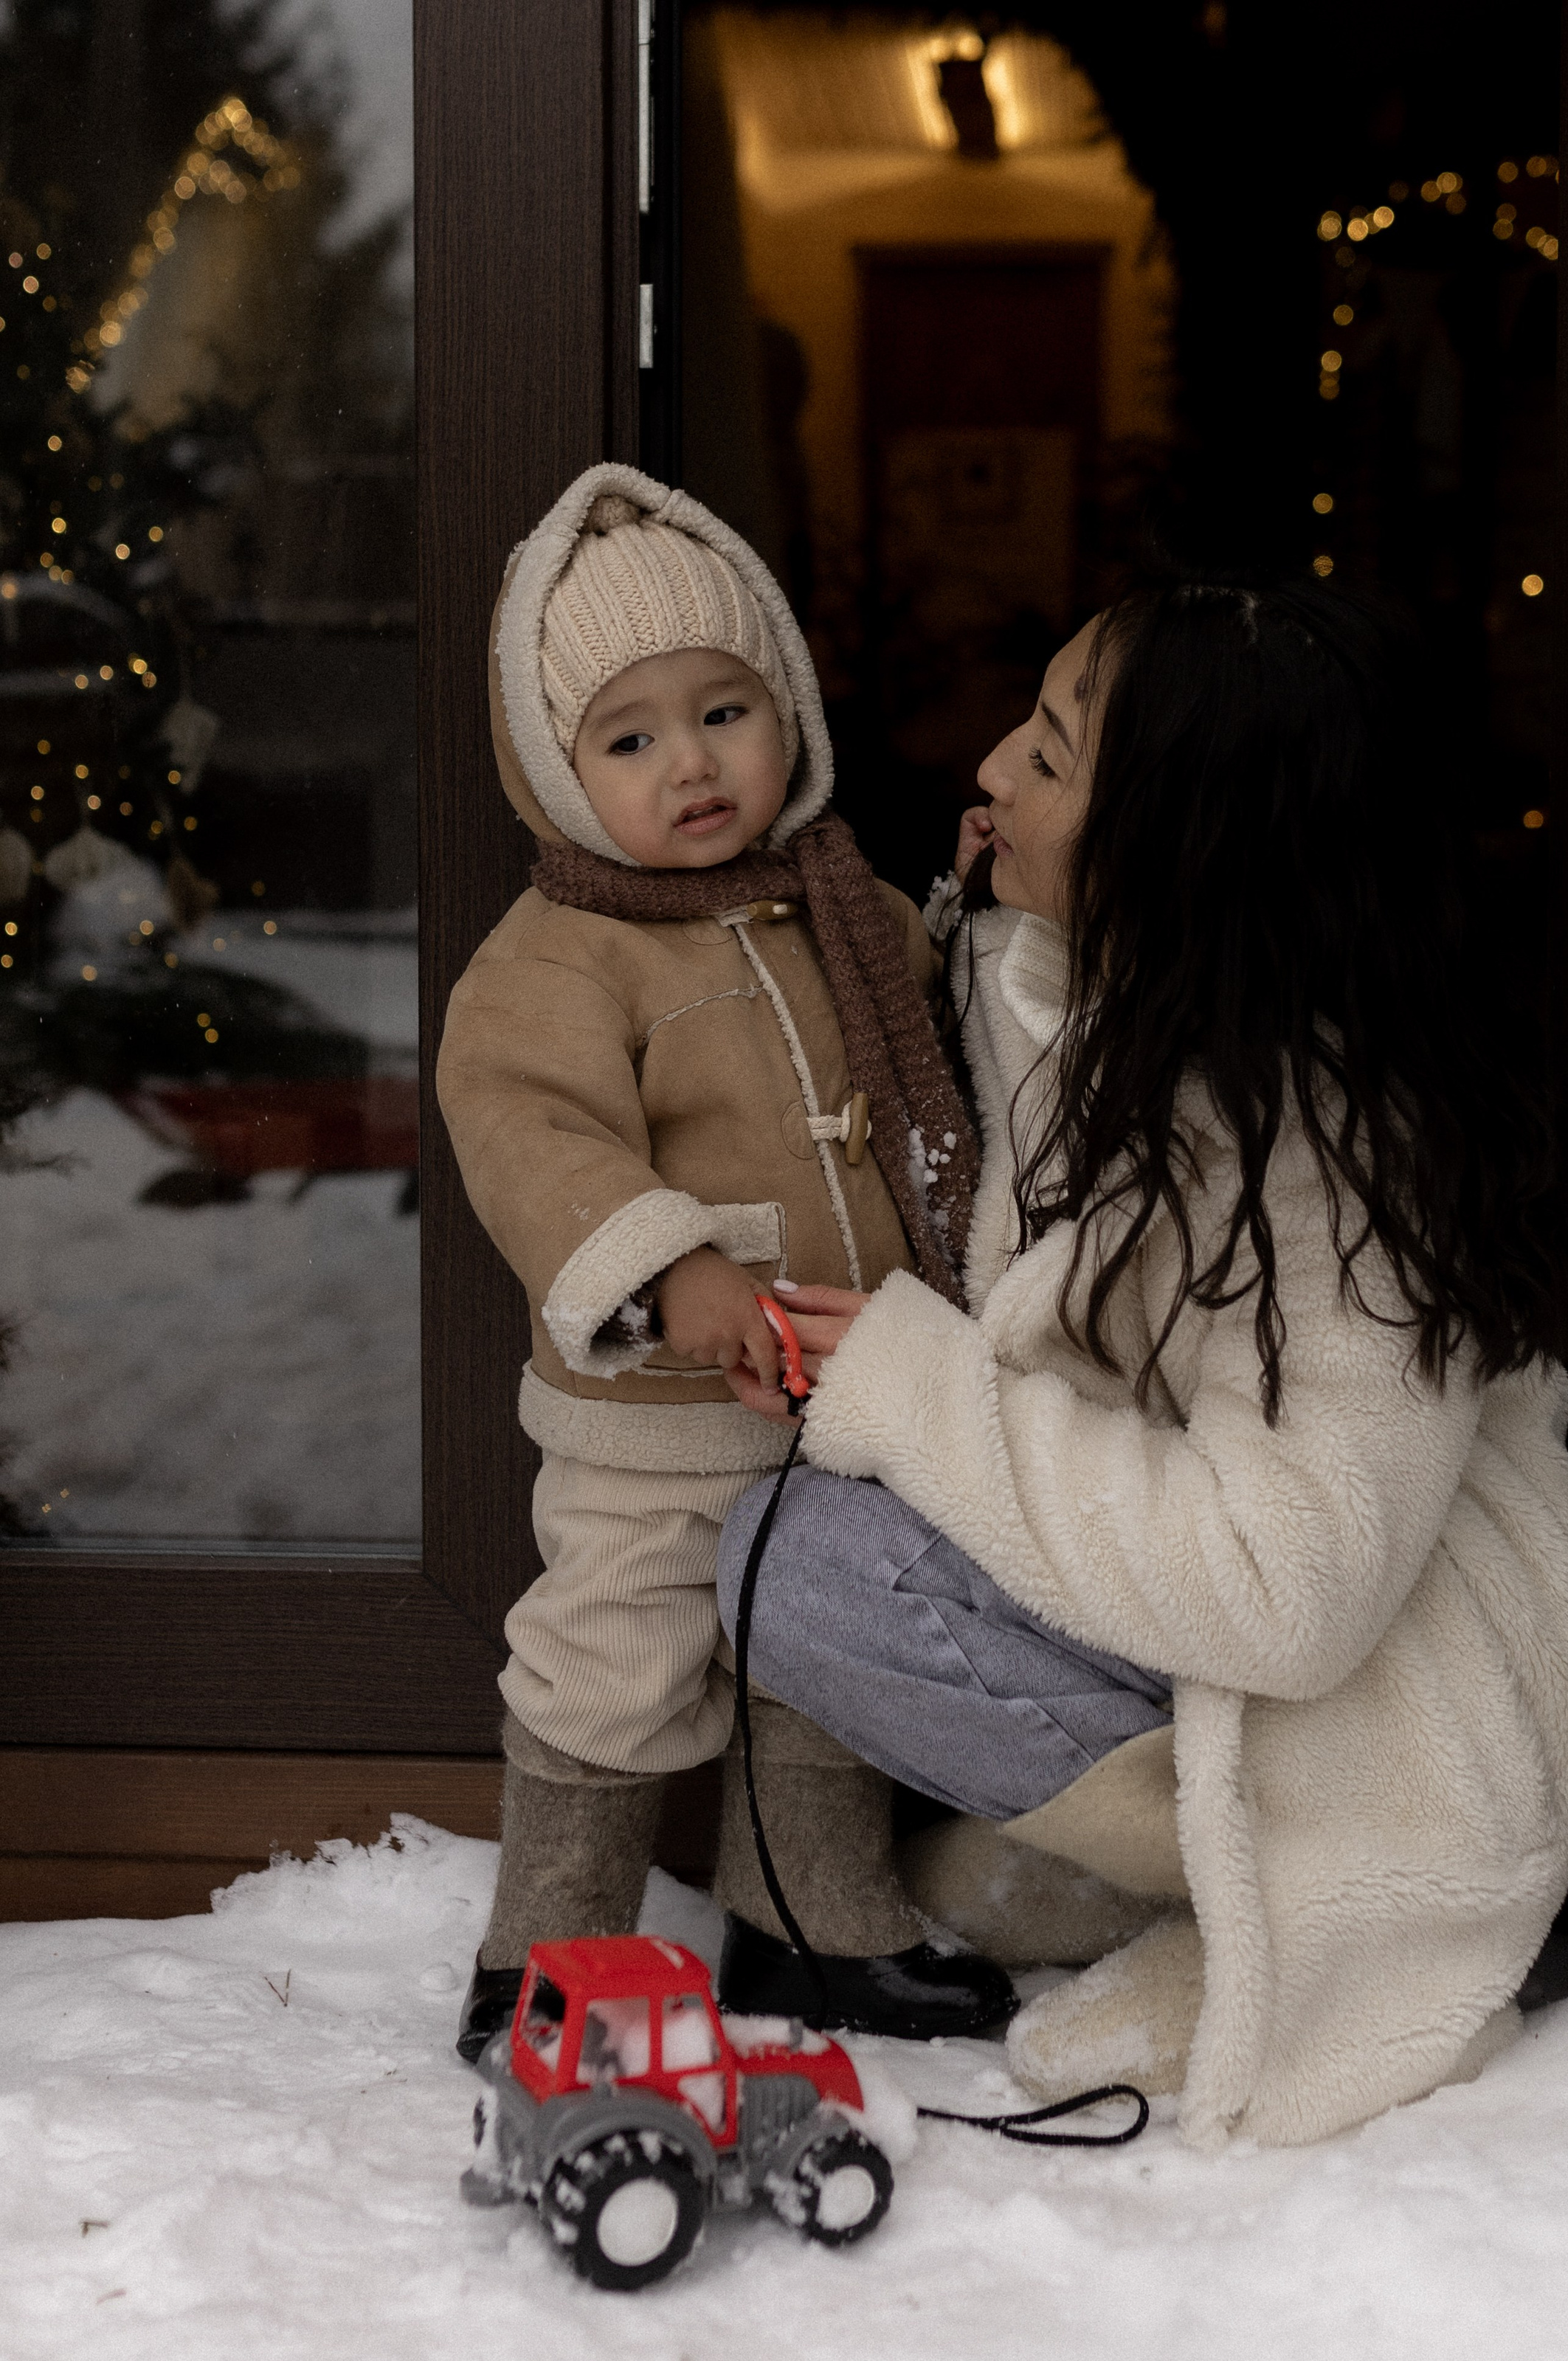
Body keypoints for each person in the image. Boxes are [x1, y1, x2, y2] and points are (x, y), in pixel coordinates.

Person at [716, 580, 1568, 2146]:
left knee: (808, 1565)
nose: (990, 768)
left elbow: (1289, 1587)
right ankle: (1157, 1856)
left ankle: (1262, 1893)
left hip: (1379, 1725)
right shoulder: (1132, 1004)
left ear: (1185, 859)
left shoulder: (1339, 1165)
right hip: (1225, 1639)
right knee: (798, 1536)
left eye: (1050, 761)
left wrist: (924, 1397)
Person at [435, 463, 1011, 2063]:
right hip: (658, 1418)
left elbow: (940, 1048)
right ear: (559, 766)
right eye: (628, 738)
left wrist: (986, 905)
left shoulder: (843, 905)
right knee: (610, 1657)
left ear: (789, 713)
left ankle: (805, 1925)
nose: (688, 765)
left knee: (821, 1662)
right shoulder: (555, 955)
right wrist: (670, 1273)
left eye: (724, 712)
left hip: (839, 1391)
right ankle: (546, 1955)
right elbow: (531, 1137)